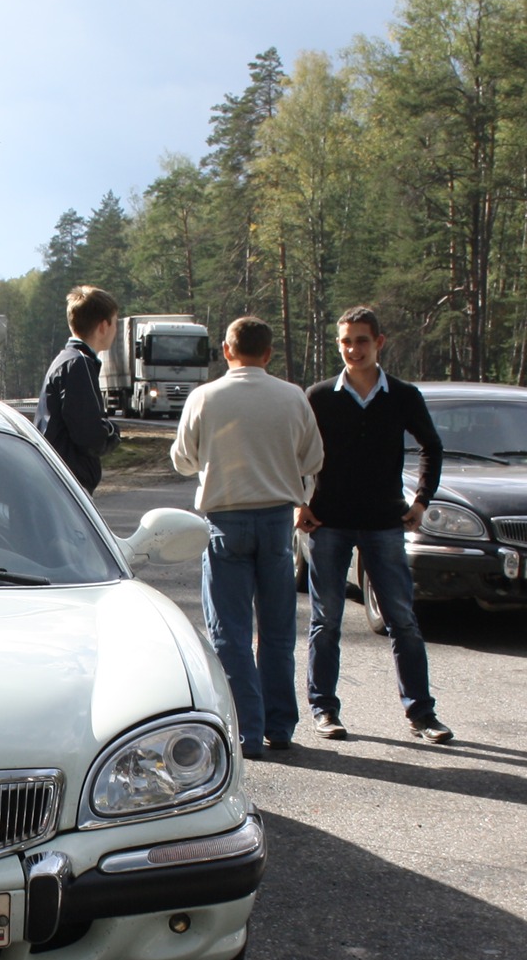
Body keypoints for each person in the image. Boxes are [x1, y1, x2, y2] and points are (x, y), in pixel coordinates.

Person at [170, 315, 325, 758]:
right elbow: (313, 456)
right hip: (277, 520)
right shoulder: (292, 396)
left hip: (225, 519)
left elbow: (182, 461)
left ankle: (247, 730)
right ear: (269, 353)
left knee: (231, 633)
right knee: (277, 632)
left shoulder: (205, 397)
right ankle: (280, 725)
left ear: (225, 350)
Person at [299, 305, 452, 742]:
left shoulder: (403, 395)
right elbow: (293, 450)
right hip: (329, 522)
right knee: (326, 621)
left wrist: (422, 500)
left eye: (362, 340)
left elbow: (431, 446)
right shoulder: (319, 396)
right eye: (346, 341)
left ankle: (422, 715)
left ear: (379, 342)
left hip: (386, 522)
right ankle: (324, 710)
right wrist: (298, 500)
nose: (353, 349)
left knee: (402, 619)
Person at [35, 286, 121, 491]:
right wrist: (113, 432)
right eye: (115, 323)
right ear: (103, 326)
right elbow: (89, 435)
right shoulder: (78, 364)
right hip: (66, 483)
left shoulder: (68, 359)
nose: (115, 330)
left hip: (54, 477)